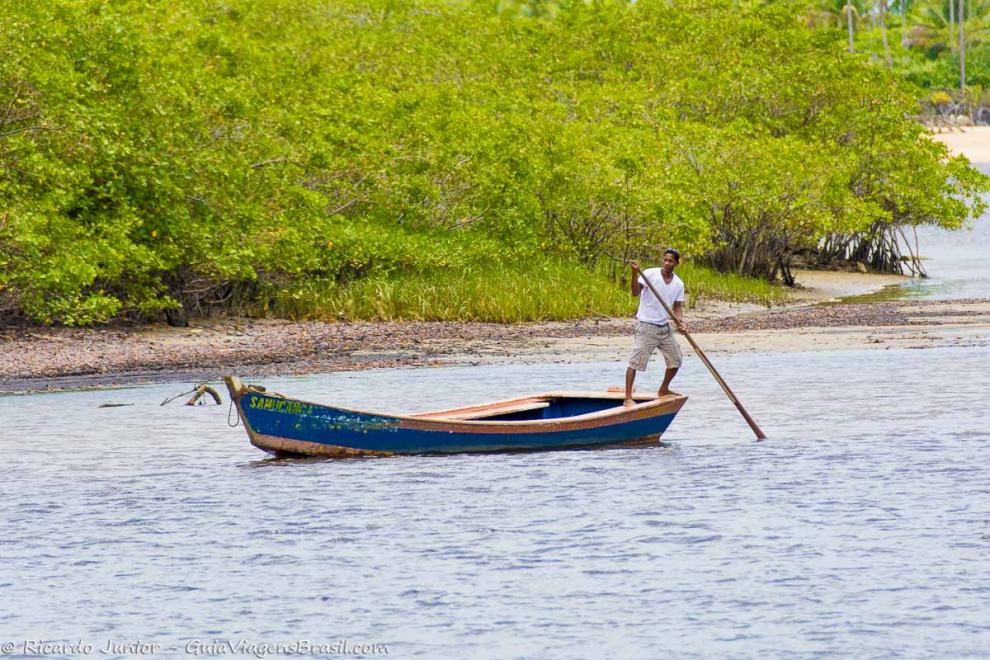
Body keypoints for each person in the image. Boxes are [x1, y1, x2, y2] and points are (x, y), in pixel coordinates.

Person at [624, 248, 686, 407]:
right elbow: (634, 292)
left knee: (676, 360)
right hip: (646, 326)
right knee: (635, 362)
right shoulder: (650, 274)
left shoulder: (678, 283)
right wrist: (634, 274)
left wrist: (680, 322)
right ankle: (628, 397)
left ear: (676, 263)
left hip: (664, 327)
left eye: (670, 261)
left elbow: (677, 306)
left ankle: (664, 389)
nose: (667, 263)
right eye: (665, 260)